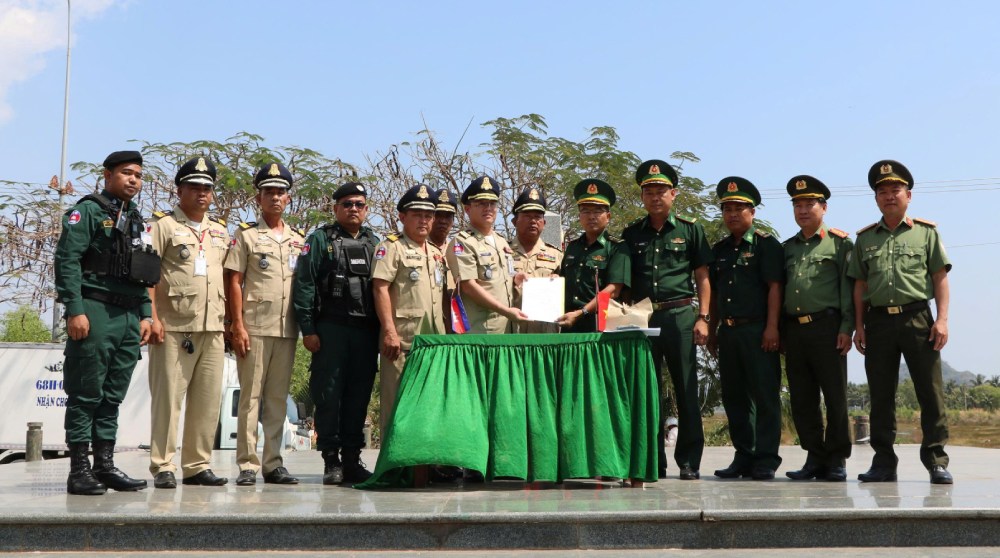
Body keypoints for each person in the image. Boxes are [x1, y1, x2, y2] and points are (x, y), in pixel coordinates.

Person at [54, 150, 156, 495]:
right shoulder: (88, 211)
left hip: (127, 315)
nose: (134, 180)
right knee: (86, 393)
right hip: (95, 310)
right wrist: (75, 308)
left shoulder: (137, 219)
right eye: (127, 173)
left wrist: (145, 313)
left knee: (112, 395)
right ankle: (79, 470)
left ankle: (105, 465)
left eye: (139, 175)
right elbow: (67, 259)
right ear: (108, 174)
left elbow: (140, 272)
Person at [848, 160, 953, 485]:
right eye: (882, 191)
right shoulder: (865, 239)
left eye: (895, 190)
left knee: (930, 392)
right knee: (881, 395)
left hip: (918, 318)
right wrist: (859, 326)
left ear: (908, 194)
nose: (889, 196)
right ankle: (883, 462)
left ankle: (936, 460)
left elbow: (940, 277)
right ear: (876, 198)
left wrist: (943, 320)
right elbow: (860, 287)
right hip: (878, 322)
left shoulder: (926, 233)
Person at [622, 160, 712, 480]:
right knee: (648, 390)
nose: (655, 196)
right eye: (649, 191)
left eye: (661, 190)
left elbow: (702, 276)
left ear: (673, 194)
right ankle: (652, 460)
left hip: (680, 314)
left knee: (686, 388)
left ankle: (688, 460)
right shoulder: (632, 233)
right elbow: (625, 281)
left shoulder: (690, 230)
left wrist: (703, 317)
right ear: (642, 196)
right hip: (644, 315)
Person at [147, 157, 231, 488]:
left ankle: (197, 465)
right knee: (168, 399)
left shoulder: (220, 230)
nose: (201, 193)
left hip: (212, 327)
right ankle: (163, 464)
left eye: (207, 188)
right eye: (194, 187)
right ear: (179, 189)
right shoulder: (163, 226)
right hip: (173, 326)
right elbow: (148, 276)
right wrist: (152, 317)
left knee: (208, 401)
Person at [292, 181, 380, 485]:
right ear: (335, 208)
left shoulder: (375, 243)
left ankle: (353, 458)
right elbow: (303, 284)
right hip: (330, 329)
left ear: (366, 209)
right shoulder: (320, 240)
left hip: (366, 332)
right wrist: (308, 328)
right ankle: (331, 460)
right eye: (347, 204)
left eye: (359, 204)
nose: (353, 209)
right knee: (328, 394)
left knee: (359, 395)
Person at [224, 162, 304, 486]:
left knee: (277, 400)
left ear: (288, 199)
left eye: (281, 192)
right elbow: (234, 280)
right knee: (250, 399)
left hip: (286, 329)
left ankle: (273, 463)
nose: (275, 197)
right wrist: (236, 325)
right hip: (254, 328)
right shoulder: (246, 236)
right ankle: (247, 464)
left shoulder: (298, 240)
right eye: (269, 192)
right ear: (259, 198)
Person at [706, 177, 783, 481]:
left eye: (739, 208)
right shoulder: (720, 249)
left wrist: (773, 328)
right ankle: (744, 455)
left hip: (758, 330)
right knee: (735, 397)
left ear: (752, 212)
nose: (733, 214)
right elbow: (712, 291)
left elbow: (775, 288)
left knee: (765, 396)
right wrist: (712, 330)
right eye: (727, 209)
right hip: (729, 332)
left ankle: (766, 458)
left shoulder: (766, 246)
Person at [781, 175, 854, 482]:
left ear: (823, 207)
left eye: (809, 204)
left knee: (835, 396)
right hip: (795, 330)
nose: (802, 210)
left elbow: (847, 288)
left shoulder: (840, 244)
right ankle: (814, 456)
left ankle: (837, 458)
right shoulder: (787, 248)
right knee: (802, 397)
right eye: (797, 205)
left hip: (828, 327)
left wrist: (847, 327)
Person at [371, 184, 447, 437]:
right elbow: (380, 288)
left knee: (429, 406)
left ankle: (426, 465)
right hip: (402, 341)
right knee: (397, 406)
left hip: (433, 342)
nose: (424, 221)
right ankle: (393, 469)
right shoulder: (392, 247)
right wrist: (389, 332)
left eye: (428, 215)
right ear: (403, 217)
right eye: (417, 215)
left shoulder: (437, 253)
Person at [445, 176, 527, 334]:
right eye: (481, 203)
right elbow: (469, 287)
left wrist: (515, 278)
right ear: (468, 209)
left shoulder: (502, 242)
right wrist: (505, 310)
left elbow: (499, 278)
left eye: (492, 204)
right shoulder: (462, 243)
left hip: (507, 329)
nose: (488, 208)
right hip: (481, 330)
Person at [555, 179, 630, 333]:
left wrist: (582, 312)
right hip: (569, 323)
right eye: (586, 211)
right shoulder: (572, 247)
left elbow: (614, 289)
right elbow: (562, 281)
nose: (591, 216)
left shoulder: (617, 247)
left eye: (597, 211)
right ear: (579, 216)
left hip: (600, 325)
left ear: (608, 216)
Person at [509, 187, 563, 333]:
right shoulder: (502, 252)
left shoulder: (557, 255)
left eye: (538, 217)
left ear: (544, 223)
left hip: (545, 330)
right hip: (512, 328)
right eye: (527, 216)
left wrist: (558, 282)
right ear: (514, 221)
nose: (533, 221)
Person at [431, 188, 458, 332]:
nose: (442, 221)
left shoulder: (459, 250)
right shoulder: (419, 249)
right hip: (428, 327)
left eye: (448, 216)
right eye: (438, 215)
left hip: (456, 327)